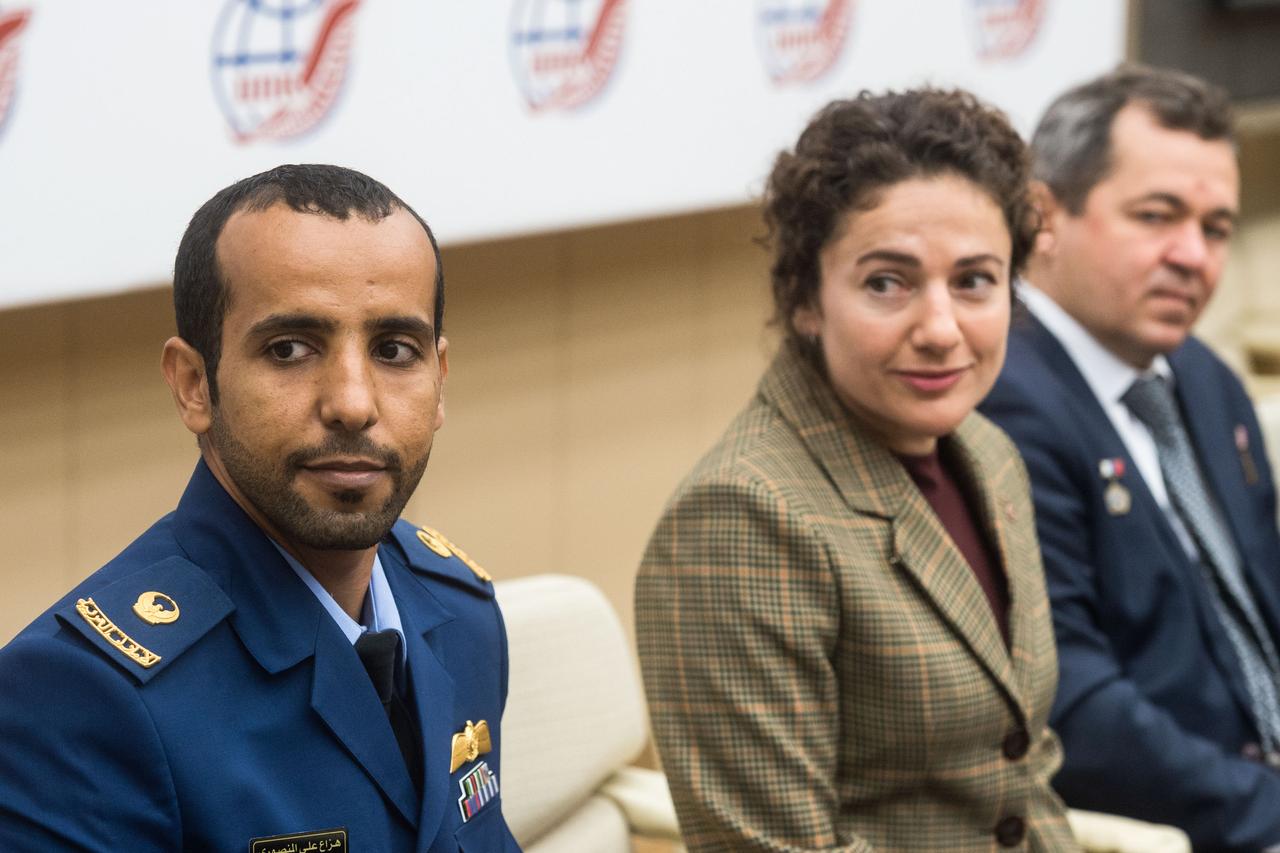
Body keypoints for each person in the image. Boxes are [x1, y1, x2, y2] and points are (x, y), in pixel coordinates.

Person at [0, 165, 521, 851]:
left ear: (440, 380)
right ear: (194, 385)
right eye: (290, 349)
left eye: (395, 350)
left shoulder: (462, 613)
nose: (354, 403)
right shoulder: (80, 696)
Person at [636, 90, 1079, 852]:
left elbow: (1022, 772)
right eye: (887, 282)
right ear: (806, 297)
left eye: (975, 279)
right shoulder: (741, 518)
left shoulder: (990, 454)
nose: (941, 329)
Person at [979, 65, 1280, 850]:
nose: (1194, 255)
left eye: (1216, 228)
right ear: (1043, 215)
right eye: (1158, 216)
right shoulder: (1000, 405)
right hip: (1184, 821)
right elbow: (1076, 709)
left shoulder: (1199, 375)